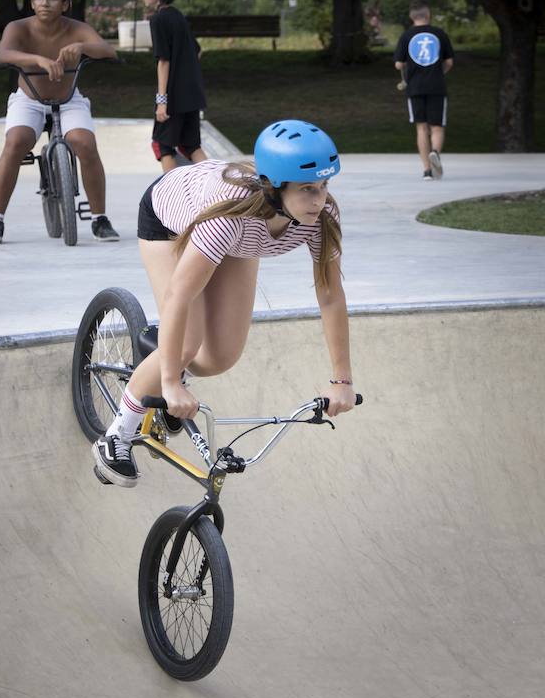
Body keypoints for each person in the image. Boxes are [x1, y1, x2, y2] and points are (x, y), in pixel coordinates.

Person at [93, 120, 356, 486]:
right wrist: (169, 383)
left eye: (325, 186)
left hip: (242, 239)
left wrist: (342, 380)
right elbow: (178, 295)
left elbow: (330, 296)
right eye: (308, 188)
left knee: (218, 358)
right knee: (186, 343)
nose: (320, 199)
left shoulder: (323, 217)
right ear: (273, 188)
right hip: (171, 220)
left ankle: (165, 351)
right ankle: (117, 434)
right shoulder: (227, 218)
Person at [0, 0, 119, 244]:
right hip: (29, 99)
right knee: (16, 142)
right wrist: (37, 60)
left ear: (65, 3)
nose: (45, 2)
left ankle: (99, 218)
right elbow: (3, 54)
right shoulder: (17, 27)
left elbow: (108, 51)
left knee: (85, 144)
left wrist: (81, 47)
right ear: (32, 2)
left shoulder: (77, 28)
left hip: (69, 100)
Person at [137, 0, 209, 173]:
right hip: (192, 94)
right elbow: (197, 51)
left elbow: (164, 61)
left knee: (162, 145)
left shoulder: (158, 20)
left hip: (174, 97)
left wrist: (162, 101)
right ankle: (219, 191)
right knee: (191, 146)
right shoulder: (178, 16)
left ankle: (172, 197)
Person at [393, 0, 454, 180]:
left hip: (415, 87)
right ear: (428, 15)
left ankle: (427, 170)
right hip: (437, 85)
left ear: (412, 17)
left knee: (421, 128)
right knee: (437, 127)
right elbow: (449, 62)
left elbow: (398, 64)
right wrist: (440, 72)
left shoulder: (406, 36)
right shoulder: (439, 34)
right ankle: (435, 152)